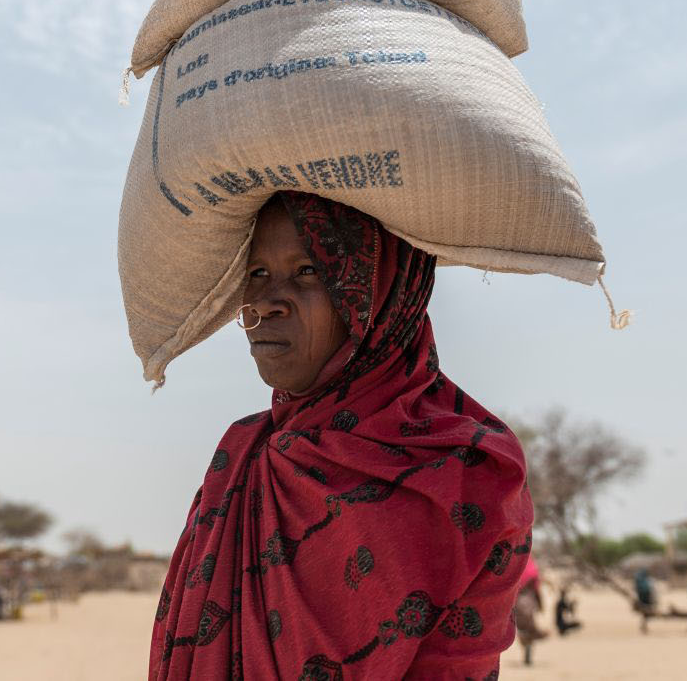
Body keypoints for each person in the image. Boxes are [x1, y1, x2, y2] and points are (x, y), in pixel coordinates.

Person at [150, 193, 533, 679]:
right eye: (257, 274)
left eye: (307, 270)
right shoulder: (241, 456)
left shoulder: (469, 466)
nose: (266, 303)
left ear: (382, 295)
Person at [634, 568, 657, 633]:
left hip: (642, 597)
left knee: (645, 613)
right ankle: (644, 625)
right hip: (646, 597)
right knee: (646, 612)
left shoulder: (639, 579)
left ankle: (644, 625)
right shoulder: (646, 580)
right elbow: (650, 590)